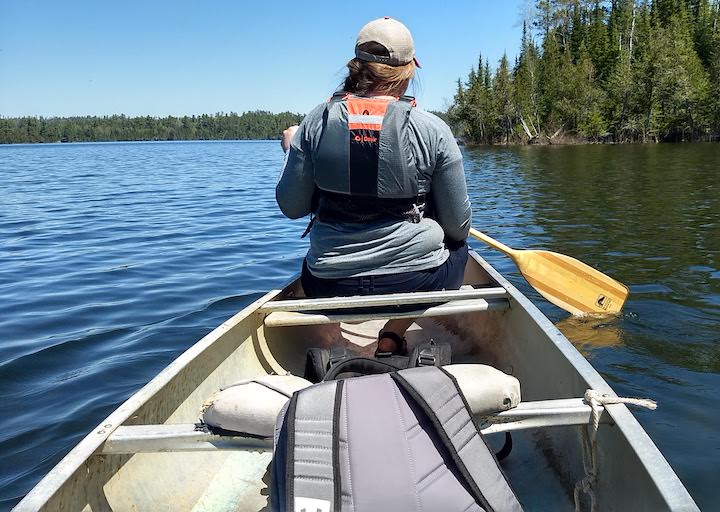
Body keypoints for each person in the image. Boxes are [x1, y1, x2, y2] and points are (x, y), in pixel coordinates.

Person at [276, 17, 471, 356]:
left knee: (313, 261)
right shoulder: (433, 130)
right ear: (408, 71)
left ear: (355, 67)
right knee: (458, 248)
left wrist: (294, 148)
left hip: (328, 285)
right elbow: (459, 227)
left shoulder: (314, 123)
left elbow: (292, 207)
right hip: (415, 281)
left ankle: (335, 345)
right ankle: (392, 335)